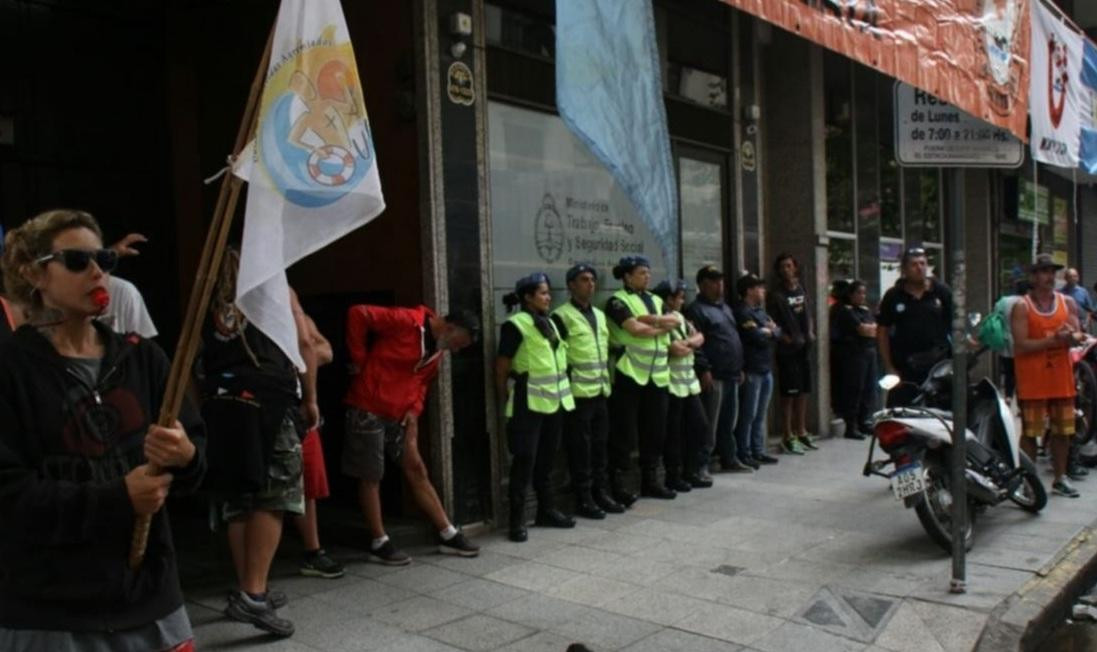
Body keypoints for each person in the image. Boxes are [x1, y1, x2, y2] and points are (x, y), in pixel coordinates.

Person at [0, 209, 205, 651]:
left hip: (150, 601)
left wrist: (185, 456)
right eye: (77, 260)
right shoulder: (10, 369)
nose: (98, 271)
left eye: (105, 261)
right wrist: (116, 499)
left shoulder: (143, 359)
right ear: (32, 273)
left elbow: (196, 463)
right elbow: (8, 493)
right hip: (51, 613)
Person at [200, 248, 314, 637]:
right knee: (274, 494)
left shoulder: (207, 296)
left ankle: (247, 585)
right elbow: (306, 345)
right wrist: (311, 398)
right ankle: (253, 593)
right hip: (269, 398)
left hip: (220, 399)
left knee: (238, 496)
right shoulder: (277, 289)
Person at [344, 301, 481, 564]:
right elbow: (358, 313)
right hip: (368, 405)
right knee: (371, 474)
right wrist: (359, 360)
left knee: (416, 468)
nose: (456, 350)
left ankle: (447, 532)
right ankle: (379, 540)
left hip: (399, 413)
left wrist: (414, 409)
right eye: (458, 343)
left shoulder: (437, 349)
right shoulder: (406, 321)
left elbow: (422, 382)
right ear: (449, 327)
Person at [496, 273, 577, 541]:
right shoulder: (515, 325)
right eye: (542, 293)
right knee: (524, 461)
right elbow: (502, 365)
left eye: (547, 293)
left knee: (547, 460)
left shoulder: (550, 323)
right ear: (527, 297)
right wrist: (503, 396)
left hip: (554, 402)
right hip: (527, 405)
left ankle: (546, 510)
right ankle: (516, 520)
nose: (548, 297)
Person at [551, 263, 622, 519]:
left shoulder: (600, 315)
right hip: (577, 395)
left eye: (592, 280)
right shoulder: (561, 316)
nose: (590, 284)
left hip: (601, 392)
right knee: (581, 450)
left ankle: (601, 493)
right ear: (571, 285)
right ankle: (584, 498)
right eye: (583, 280)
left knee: (601, 447)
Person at [605, 256, 679, 501]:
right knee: (624, 433)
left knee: (655, 431)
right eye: (641, 273)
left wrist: (652, 320)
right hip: (629, 373)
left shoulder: (657, 300)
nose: (647, 276)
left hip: (657, 375)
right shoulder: (617, 301)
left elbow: (676, 320)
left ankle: (650, 481)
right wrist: (660, 325)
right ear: (627, 276)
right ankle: (620, 485)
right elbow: (634, 329)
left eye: (648, 272)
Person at [1012, 254, 1084, 498]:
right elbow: (1020, 345)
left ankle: (1060, 478)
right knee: (1031, 433)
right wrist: (1053, 340)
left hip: (1061, 379)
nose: (1049, 277)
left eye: (1052, 272)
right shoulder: (1022, 306)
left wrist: (1072, 336)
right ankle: (1028, 482)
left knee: (1063, 431)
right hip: (1032, 381)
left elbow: (1078, 334)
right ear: (1033, 277)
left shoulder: (1067, 303)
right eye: (1044, 272)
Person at [292, 312, 345, 579]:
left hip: (299, 410)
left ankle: (312, 550)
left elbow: (323, 350)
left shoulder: (296, 310)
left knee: (307, 484)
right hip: (273, 404)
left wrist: (297, 359)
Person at [686, 265, 750, 474]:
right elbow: (696, 345)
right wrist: (704, 369)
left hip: (731, 373)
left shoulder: (725, 308)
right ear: (703, 284)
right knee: (709, 425)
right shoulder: (696, 309)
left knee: (728, 423)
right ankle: (701, 464)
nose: (719, 285)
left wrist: (739, 367)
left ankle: (729, 458)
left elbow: (733, 338)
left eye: (720, 281)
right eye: (714, 281)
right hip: (713, 375)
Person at [876, 247, 954, 406]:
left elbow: (956, 325)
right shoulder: (893, 296)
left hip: (937, 366)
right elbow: (882, 331)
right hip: (905, 368)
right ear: (904, 269)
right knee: (901, 413)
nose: (919, 268)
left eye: (922, 263)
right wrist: (889, 367)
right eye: (914, 264)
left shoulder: (941, 291)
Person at [654, 279, 712, 490]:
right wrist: (689, 344)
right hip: (672, 384)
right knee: (675, 433)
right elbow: (674, 349)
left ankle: (691, 470)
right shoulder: (662, 321)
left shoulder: (679, 317)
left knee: (699, 427)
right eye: (679, 297)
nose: (683, 300)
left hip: (689, 383)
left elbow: (700, 337)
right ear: (668, 299)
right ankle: (674, 475)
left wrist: (687, 343)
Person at [770, 253, 817, 454]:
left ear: (795, 268)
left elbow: (809, 312)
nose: (786, 270)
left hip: (804, 346)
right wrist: (783, 337)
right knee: (788, 394)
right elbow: (771, 321)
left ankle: (801, 430)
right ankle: (787, 435)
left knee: (803, 391)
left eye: (789, 266)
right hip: (787, 350)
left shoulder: (801, 289)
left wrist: (811, 331)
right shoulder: (777, 295)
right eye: (783, 267)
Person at [734, 273, 781, 465]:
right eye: (759, 288)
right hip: (752, 369)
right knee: (748, 414)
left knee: (760, 414)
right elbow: (755, 336)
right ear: (749, 291)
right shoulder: (743, 312)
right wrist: (769, 330)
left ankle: (758, 450)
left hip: (765, 368)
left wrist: (769, 330)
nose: (763, 291)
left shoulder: (760, 312)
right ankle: (744, 452)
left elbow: (778, 331)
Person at [832, 280, 878, 440]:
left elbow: (874, 329)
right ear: (850, 294)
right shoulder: (846, 310)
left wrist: (870, 328)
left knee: (868, 388)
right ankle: (851, 426)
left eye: (864, 293)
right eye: (859, 293)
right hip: (854, 354)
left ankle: (864, 421)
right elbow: (864, 330)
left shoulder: (864, 310)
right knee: (855, 389)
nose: (862, 296)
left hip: (868, 352)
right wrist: (869, 328)